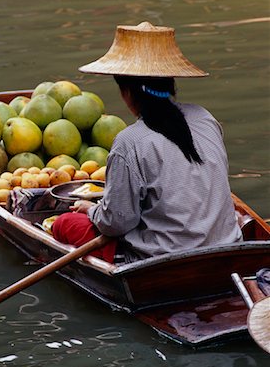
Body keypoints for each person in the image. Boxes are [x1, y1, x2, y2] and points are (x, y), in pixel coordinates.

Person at [52, 22, 242, 264]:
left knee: (65, 224)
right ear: (171, 84)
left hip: (163, 261)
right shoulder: (204, 117)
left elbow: (116, 223)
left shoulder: (129, 142)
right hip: (228, 248)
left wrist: (91, 210)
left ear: (127, 92)